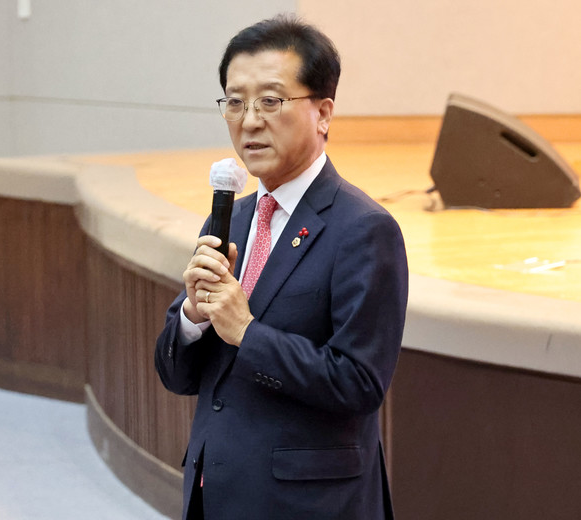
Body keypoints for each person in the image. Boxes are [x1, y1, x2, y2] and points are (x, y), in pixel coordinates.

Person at [155, 14, 408, 520]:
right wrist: (192, 319)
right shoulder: (231, 218)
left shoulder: (363, 229)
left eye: (271, 101)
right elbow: (177, 375)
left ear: (323, 113)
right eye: (235, 102)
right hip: (214, 493)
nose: (249, 121)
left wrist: (246, 333)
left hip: (309, 505)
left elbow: (359, 384)